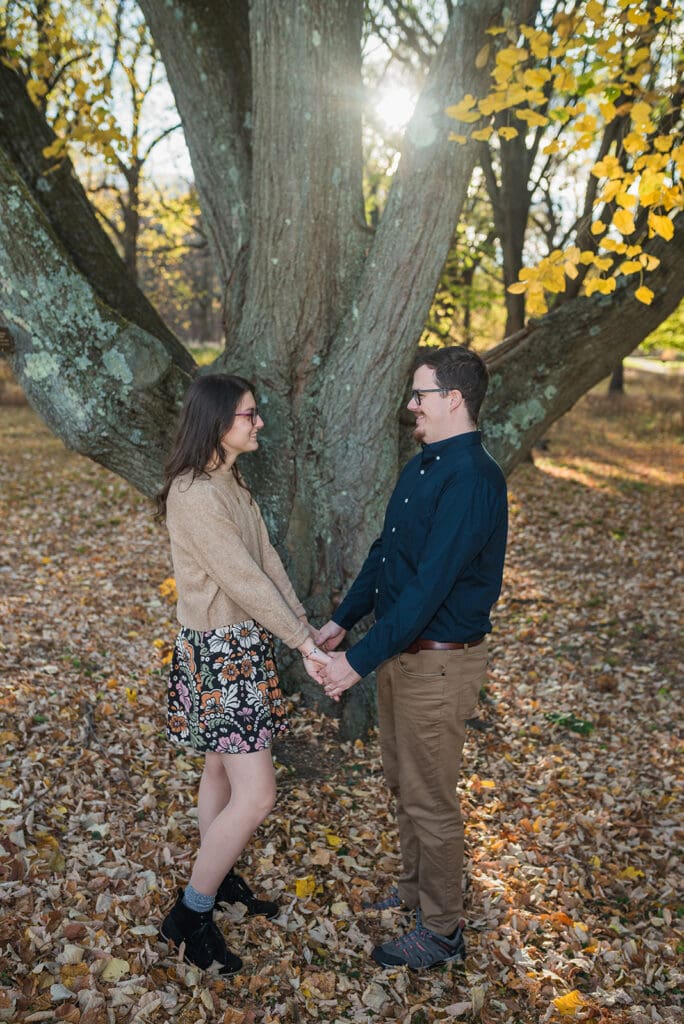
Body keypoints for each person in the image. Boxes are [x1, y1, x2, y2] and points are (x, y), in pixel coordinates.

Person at [317, 346, 507, 971]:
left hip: (439, 663)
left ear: (454, 399)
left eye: (419, 395)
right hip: (405, 655)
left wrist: (357, 662)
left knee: (430, 798)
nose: (410, 405)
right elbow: (385, 554)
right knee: (404, 785)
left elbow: (428, 589)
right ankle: (414, 894)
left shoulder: (473, 479)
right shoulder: (424, 466)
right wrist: (341, 623)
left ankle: (443, 931)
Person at [156, 373, 329, 974]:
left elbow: (268, 563)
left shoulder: (230, 483)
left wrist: (303, 628)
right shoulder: (195, 495)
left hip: (241, 647)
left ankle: (219, 876)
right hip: (218, 653)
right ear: (218, 422)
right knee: (257, 794)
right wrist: (304, 643)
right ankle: (190, 915)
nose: (259, 424)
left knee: (220, 774)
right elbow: (243, 580)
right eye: (250, 415)